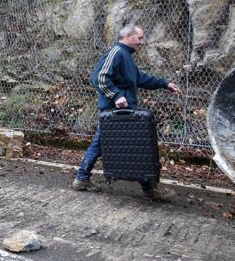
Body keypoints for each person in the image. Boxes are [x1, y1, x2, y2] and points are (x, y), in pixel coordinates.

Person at [72, 24, 181, 201]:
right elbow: (99, 77)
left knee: (109, 143)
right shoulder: (116, 52)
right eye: (140, 38)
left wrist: (164, 84)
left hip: (123, 110)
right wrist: (116, 96)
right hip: (115, 111)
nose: (142, 42)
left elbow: (140, 78)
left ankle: (82, 178)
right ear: (128, 36)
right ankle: (149, 187)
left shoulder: (126, 57)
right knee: (136, 144)